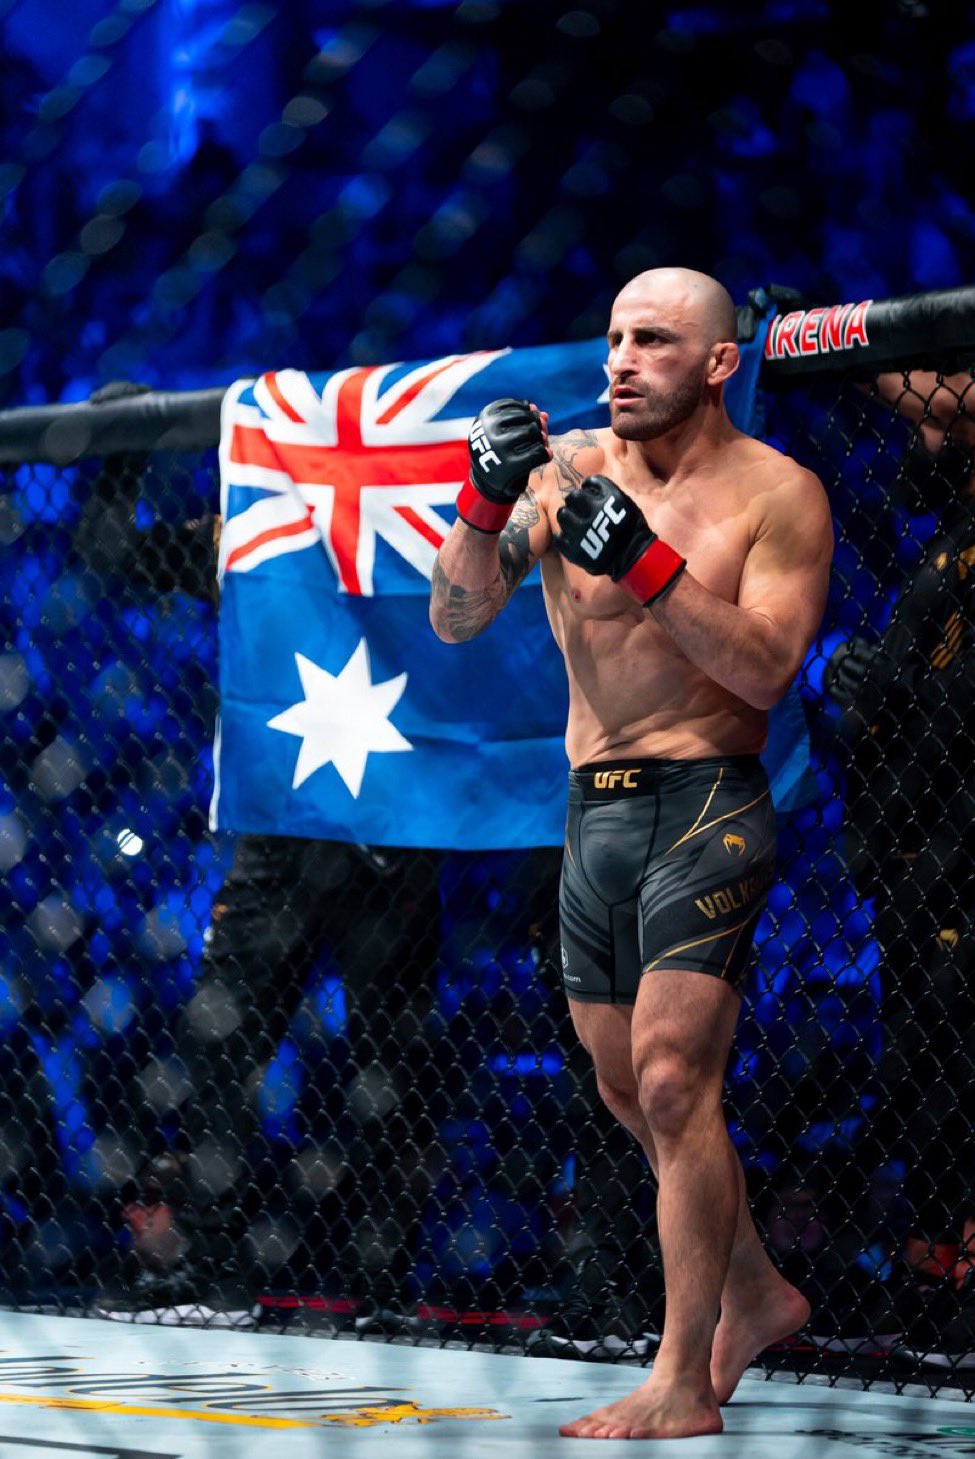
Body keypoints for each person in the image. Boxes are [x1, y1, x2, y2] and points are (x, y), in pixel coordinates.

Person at [430, 267, 833, 1440]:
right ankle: (754, 1290)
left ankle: (681, 1378)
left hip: (708, 801)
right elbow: (456, 616)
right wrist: (480, 501)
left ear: (718, 363)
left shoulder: (778, 493)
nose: (620, 360)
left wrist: (648, 565)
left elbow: (767, 668)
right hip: (592, 807)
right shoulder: (568, 473)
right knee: (625, 1088)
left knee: (669, 1081)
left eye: (653, 340)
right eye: (614, 337)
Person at [825, 367, 975, 1368]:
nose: (916, 434)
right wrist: (851, 667)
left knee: (954, 1066)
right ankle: (930, 1282)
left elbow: (943, 396)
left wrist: (832, 342)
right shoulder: (942, 544)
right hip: (914, 853)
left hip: (955, 847)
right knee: (922, 1072)